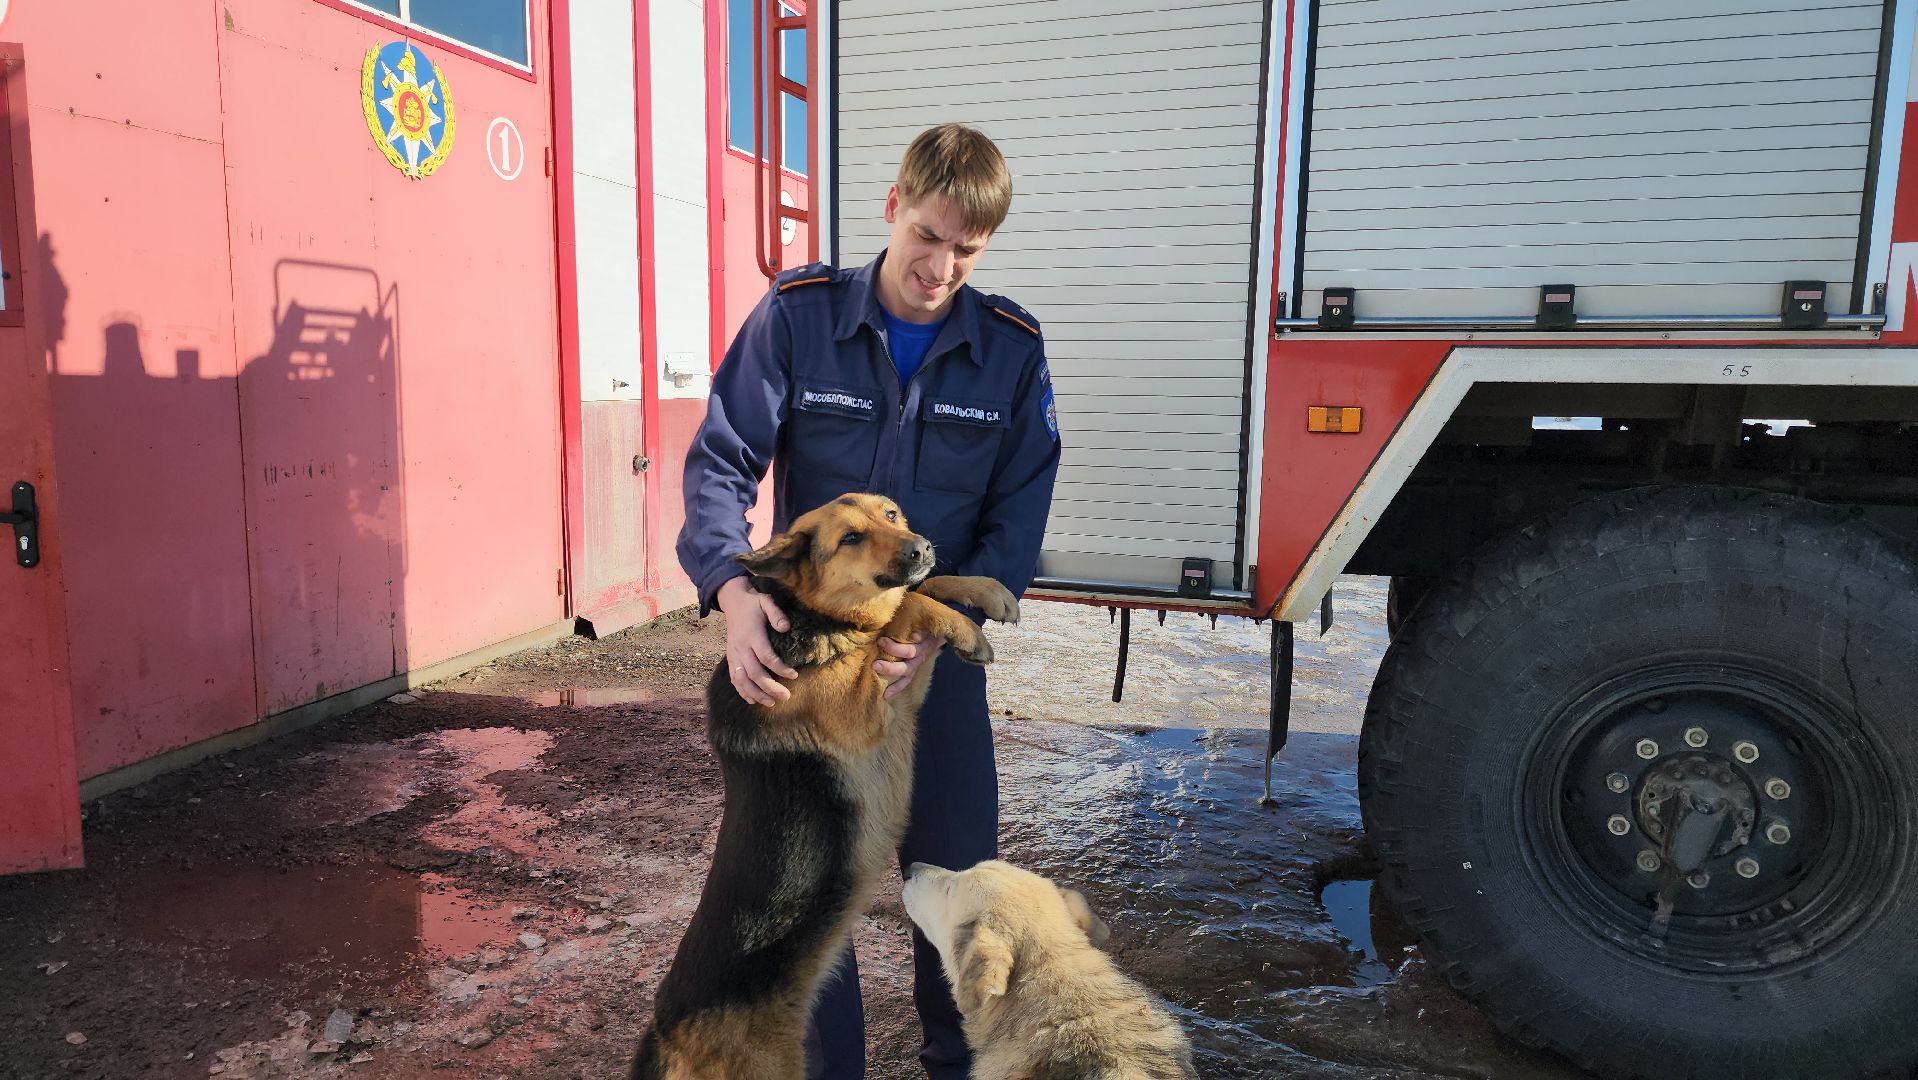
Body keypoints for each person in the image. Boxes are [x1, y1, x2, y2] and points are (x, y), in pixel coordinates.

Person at [675, 123, 1061, 1079]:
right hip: (816, 670)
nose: (940, 267)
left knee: (962, 904)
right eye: (928, 236)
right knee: (815, 906)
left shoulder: (1009, 350)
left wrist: (945, 632)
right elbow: (723, 457)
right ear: (892, 207)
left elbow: (1020, 509)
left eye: (966, 251)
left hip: (933, 671)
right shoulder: (800, 316)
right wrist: (729, 589)